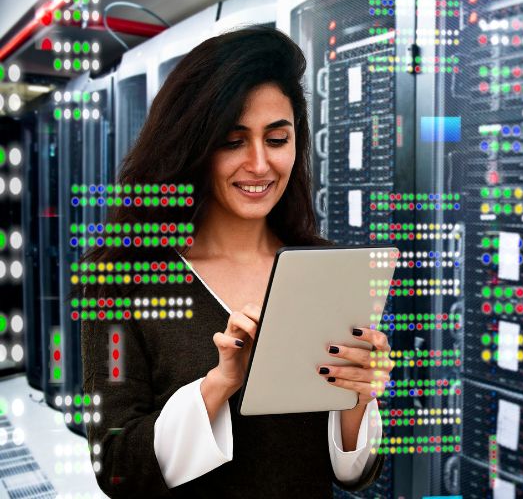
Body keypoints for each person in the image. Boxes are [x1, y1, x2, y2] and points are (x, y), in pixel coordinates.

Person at [79, 26, 392, 497]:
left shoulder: (325, 269)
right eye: (233, 141)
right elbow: (117, 467)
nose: (260, 164)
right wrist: (219, 385)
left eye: (277, 139)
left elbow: (351, 473)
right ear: (194, 146)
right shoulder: (121, 281)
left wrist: (357, 396)